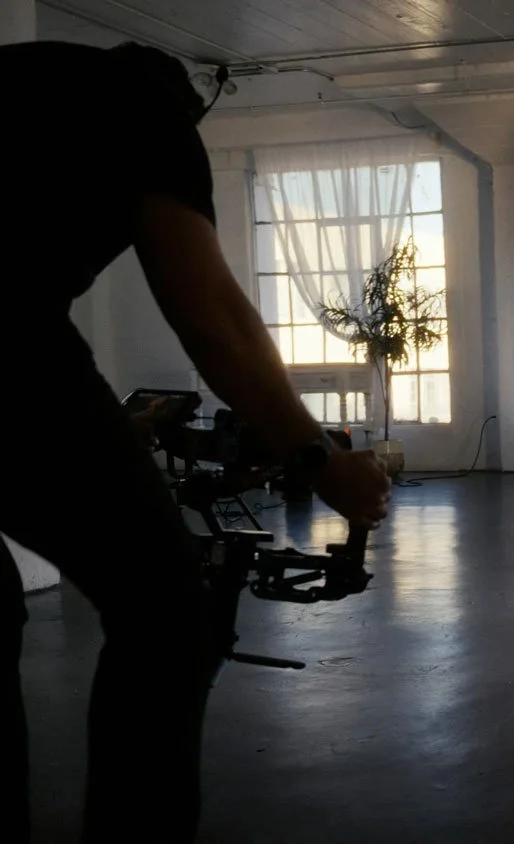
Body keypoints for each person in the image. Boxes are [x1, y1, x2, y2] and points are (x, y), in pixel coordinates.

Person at [1, 41, 392, 843]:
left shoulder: (29, 74)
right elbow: (212, 315)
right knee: (168, 613)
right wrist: (320, 461)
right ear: (192, 108)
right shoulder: (144, 110)